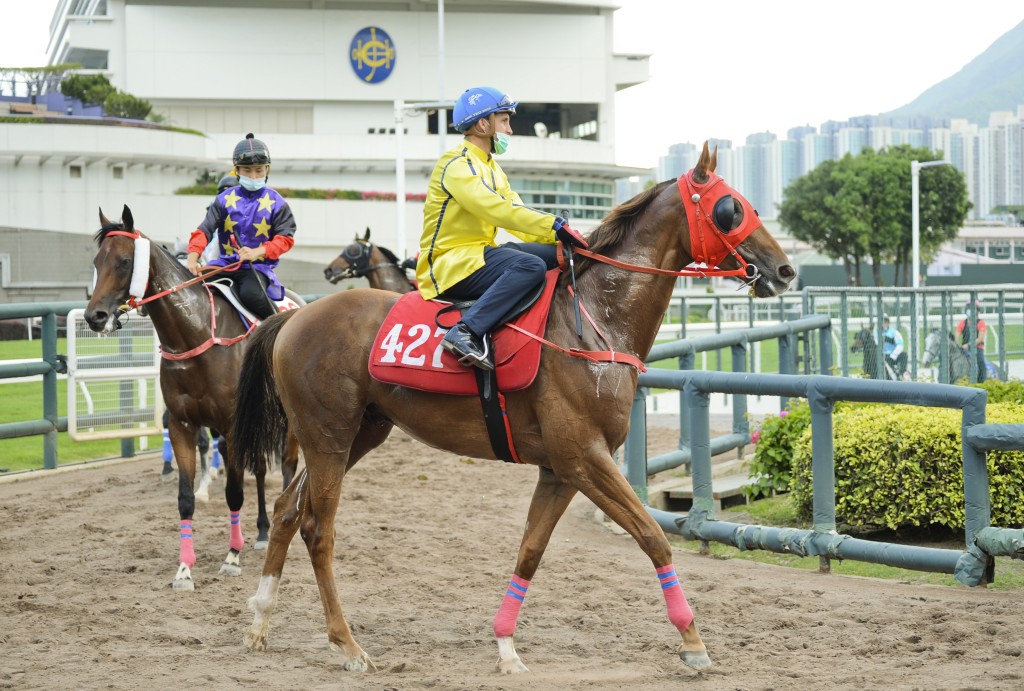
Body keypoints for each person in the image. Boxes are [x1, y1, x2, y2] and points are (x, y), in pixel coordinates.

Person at [415, 86, 588, 370]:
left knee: (557, 253)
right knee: (529, 267)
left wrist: (560, 235)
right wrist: (552, 223)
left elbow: (517, 214)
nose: (509, 130)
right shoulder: (457, 164)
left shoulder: (491, 168)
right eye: (504, 120)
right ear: (483, 124)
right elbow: (497, 209)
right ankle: (465, 331)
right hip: (449, 264)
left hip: (477, 255)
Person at [185, 134, 296, 319]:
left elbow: (285, 239)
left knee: (251, 295)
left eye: (259, 170)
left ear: (267, 170)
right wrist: (192, 258)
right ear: (236, 171)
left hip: (256, 268)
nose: (253, 176)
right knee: (191, 287)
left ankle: (278, 329)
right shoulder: (222, 200)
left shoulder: (278, 203)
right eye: (247, 170)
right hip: (224, 264)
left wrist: (257, 252)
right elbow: (204, 229)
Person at [956, 300, 987, 382]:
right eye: (968, 307)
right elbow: (957, 338)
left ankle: (982, 381)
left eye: (972, 308)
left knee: (981, 363)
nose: (969, 310)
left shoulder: (981, 323)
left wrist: (968, 345)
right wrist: (958, 346)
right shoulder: (962, 322)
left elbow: (980, 339)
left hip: (978, 349)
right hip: (964, 350)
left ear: (977, 310)